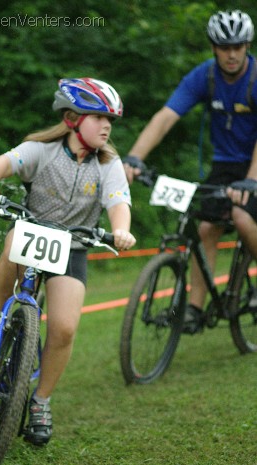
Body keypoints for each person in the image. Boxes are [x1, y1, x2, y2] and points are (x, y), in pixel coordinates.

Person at [0, 77, 136, 446]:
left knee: (64, 328)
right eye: (98, 117)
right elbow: (2, 163)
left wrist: (121, 230)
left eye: (111, 120)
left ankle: (41, 400)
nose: (107, 126)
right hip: (33, 235)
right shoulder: (42, 150)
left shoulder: (108, 163)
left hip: (73, 249)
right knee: (15, 237)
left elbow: (118, 201)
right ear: (73, 118)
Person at [124, 9, 257, 334]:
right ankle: (195, 307)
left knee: (242, 217)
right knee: (205, 229)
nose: (231, 53)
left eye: (238, 46)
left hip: (254, 164)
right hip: (226, 166)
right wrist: (133, 158)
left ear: (247, 45)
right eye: (224, 46)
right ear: (213, 47)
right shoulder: (205, 76)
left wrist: (252, 180)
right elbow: (166, 116)